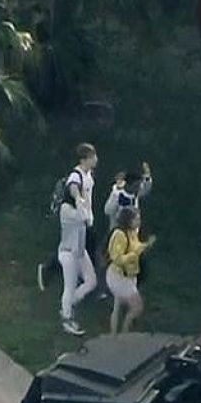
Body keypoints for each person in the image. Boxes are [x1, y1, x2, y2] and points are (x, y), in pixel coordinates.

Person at [36, 143, 99, 293]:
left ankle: (82, 279)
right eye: (92, 157)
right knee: (78, 247)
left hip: (84, 217)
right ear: (84, 160)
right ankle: (53, 270)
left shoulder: (89, 175)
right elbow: (73, 188)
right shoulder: (75, 175)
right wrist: (78, 199)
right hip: (74, 217)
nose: (96, 159)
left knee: (83, 247)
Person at [58, 175, 98, 335]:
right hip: (68, 252)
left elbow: (89, 220)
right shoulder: (65, 209)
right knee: (70, 286)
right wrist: (83, 200)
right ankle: (67, 318)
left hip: (80, 250)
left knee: (91, 281)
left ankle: (66, 305)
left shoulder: (78, 205)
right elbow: (84, 218)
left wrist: (85, 199)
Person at [106, 206, 154, 334]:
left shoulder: (132, 232)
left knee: (117, 307)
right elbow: (117, 258)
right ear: (128, 220)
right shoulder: (119, 235)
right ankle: (124, 333)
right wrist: (134, 255)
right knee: (137, 307)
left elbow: (135, 247)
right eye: (136, 219)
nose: (139, 221)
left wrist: (146, 245)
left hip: (128, 276)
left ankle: (114, 336)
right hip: (118, 276)